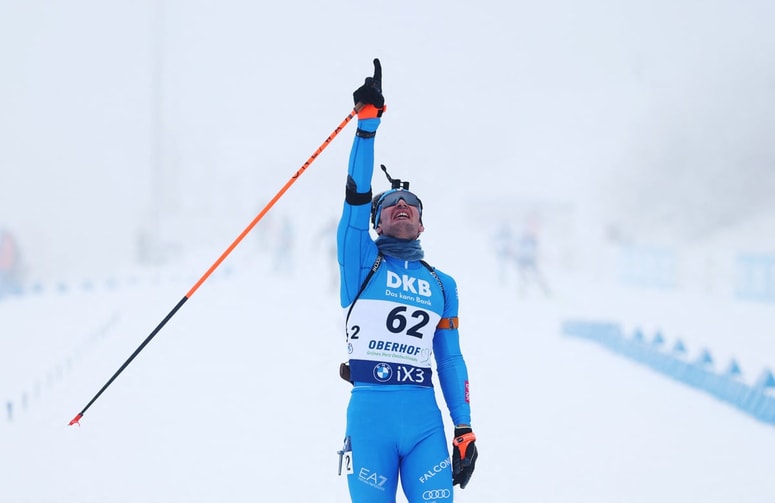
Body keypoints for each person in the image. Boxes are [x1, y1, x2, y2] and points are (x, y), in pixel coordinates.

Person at [336, 59, 478, 503]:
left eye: (411, 204)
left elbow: (450, 359)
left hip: (424, 424)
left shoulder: (442, 284)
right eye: (392, 203)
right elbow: (356, 197)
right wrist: (367, 126)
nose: (402, 206)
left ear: (421, 224)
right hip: (370, 417)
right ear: (377, 222)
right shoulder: (361, 262)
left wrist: (464, 426)